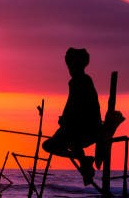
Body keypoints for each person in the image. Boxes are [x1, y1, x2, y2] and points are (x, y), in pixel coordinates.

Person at [42, 48, 103, 185]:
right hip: (75, 128)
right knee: (48, 145)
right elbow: (71, 107)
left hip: (85, 129)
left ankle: (83, 161)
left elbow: (80, 108)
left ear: (80, 65)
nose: (70, 69)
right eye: (69, 65)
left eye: (72, 65)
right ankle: (83, 160)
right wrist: (65, 119)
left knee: (60, 143)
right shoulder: (76, 82)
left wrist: (66, 120)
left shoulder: (82, 82)